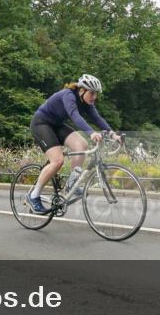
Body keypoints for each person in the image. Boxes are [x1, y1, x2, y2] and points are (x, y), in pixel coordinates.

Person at [26, 74, 119, 213]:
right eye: (92, 93)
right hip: (41, 123)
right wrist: (91, 133)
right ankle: (33, 196)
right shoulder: (68, 95)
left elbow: (97, 118)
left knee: (82, 145)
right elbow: (75, 116)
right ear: (82, 90)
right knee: (57, 161)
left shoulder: (87, 103)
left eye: (96, 94)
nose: (94, 97)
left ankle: (71, 183)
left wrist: (113, 134)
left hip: (56, 125)